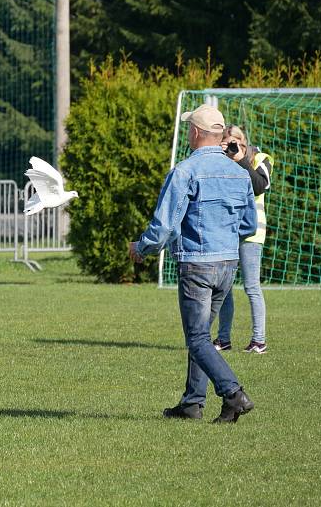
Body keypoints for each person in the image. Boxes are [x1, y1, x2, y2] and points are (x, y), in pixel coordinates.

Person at [128, 104, 258, 423]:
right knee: (202, 336)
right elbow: (249, 226)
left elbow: (165, 226)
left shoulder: (185, 171)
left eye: (189, 128)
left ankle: (234, 394)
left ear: (196, 133)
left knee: (198, 338)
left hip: (197, 265)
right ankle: (191, 404)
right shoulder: (240, 173)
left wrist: (141, 247)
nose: (188, 133)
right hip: (227, 265)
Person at [213, 124, 274, 354]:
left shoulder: (261, 158)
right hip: (227, 231)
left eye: (234, 143)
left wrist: (240, 159)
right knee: (224, 287)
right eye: (226, 143)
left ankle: (259, 340)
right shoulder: (221, 161)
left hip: (252, 233)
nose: (231, 147)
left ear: (243, 142)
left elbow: (260, 186)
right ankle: (223, 339)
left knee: (251, 286)